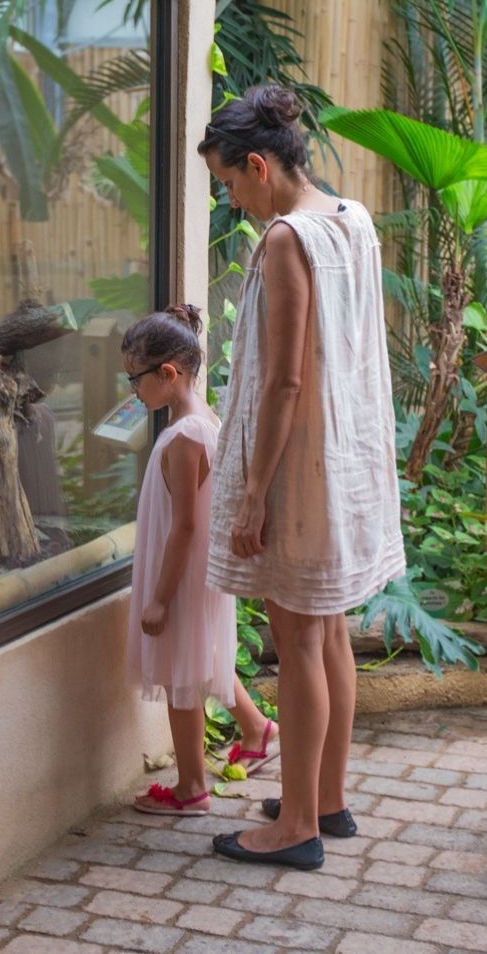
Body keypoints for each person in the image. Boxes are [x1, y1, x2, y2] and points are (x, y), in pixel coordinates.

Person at [201, 84, 404, 870]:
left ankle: (295, 834)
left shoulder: (286, 239)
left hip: (296, 467)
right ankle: (326, 800)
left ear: (259, 165)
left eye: (229, 184)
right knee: (328, 634)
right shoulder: (351, 219)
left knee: (296, 640)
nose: (233, 201)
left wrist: (252, 491)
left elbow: (285, 381)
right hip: (343, 459)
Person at [124, 304, 279, 817]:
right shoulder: (203, 418)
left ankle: (191, 788)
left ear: (167, 374)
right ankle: (257, 728)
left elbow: (186, 525)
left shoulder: (186, 437)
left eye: (135, 380)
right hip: (196, 572)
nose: (133, 392)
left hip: (182, 576)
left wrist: (159, 599)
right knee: (199, 657)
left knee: (180, 677)